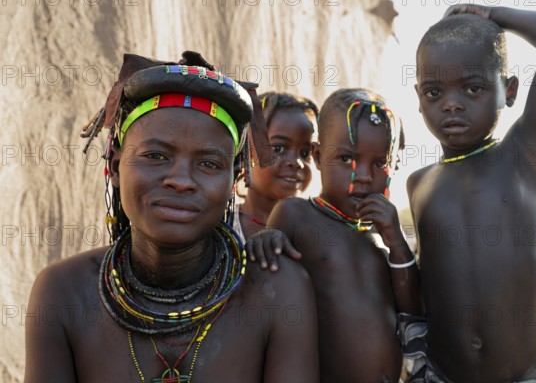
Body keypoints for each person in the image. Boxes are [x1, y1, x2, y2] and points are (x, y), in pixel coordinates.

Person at [24, 51, 319, 383]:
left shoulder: (276, 291)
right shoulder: (65, 293)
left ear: (234, 177)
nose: (180, 180)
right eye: (155, 155)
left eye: (208, 163)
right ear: (116, 165)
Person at [403, 4, 536, 382]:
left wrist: (493, 14)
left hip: (527, 375)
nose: (451, 103)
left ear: (510, 91)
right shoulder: (418, 183)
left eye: (473, 88)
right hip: (442, 375)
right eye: (435, 91)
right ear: (419, 97)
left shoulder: (522, 155)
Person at [249, 87, 421, 382]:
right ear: (317, 156)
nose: (363, 175)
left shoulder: (379, 236)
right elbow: (266, 280)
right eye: (346, 159)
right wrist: (265, 240)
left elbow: (414, 311)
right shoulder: (296, 215)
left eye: (379, 163)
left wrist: (397, 244)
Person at [233, 91, 318, 261]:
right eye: (278, 148)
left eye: (304, 153)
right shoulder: (224, 226)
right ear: (247, 151)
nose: (296, 163)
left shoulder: (317, 229)